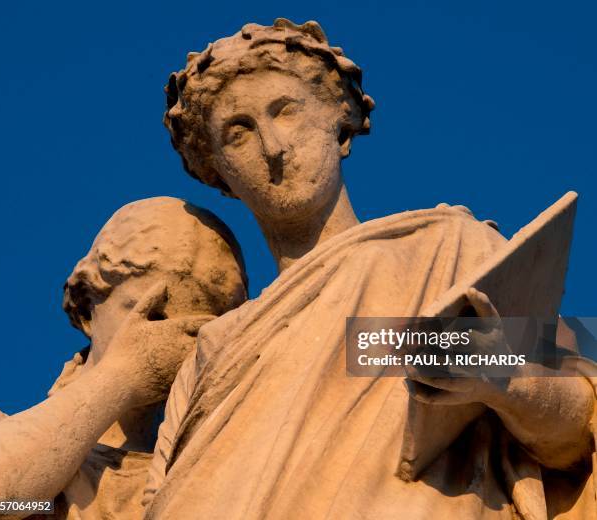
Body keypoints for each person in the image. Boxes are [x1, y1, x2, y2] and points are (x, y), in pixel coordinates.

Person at [143, 19, 596, 519]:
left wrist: (503, 380)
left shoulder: (451, 250)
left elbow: (577, 432)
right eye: (238, 133)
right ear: (218, 172)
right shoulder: (214, 351)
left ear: (339, 119)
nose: (272, 147)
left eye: (286, 111)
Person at [0, 196, 247, 519]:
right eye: (153, 316)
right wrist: (123, 374)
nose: (171, 340)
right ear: (86, 307)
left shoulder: (199, 482)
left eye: (198, 332)